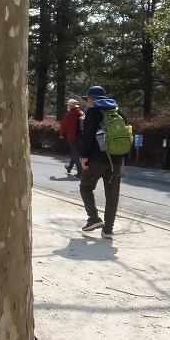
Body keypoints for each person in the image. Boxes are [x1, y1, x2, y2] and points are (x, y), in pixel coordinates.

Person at [78, 86, 129, 238]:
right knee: (112, 195)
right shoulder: (118, 112)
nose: (87, 102)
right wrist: (125, 159)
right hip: (116, 159)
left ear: (94, 99)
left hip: (96, 159)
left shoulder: (93, 112)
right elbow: (127, 136)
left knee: (85, 187)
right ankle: (108, 230)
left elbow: (87, 136)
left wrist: (84, 156)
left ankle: (94, 218)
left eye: (87, 99)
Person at [58, 98, 83, 177]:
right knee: (76, 152)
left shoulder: (69, 114)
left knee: (76, 154)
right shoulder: (81, 113)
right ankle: (69, 167)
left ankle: (80, 171)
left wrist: (61, 134)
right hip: (81, 136)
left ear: (71, 106)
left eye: (68, 105)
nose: (67, 106)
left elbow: (63, 125)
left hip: (72, 136)